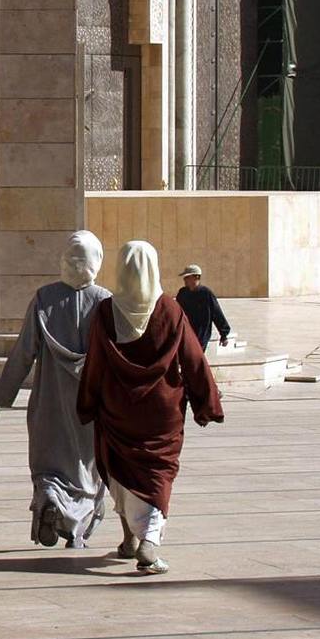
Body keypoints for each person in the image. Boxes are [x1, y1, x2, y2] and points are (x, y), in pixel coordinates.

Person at [77, 241, 225, 574]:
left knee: (120, 468)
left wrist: (87, 402)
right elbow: (193, 358)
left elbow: (95, 362)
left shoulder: (106, 311)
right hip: (161, 411)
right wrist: (206, 403)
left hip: (117, 407)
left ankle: (132, 537)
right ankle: (147, 542)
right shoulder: (170, 310)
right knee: (157, 473)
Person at [0, 230, 111, 549]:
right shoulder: (105, 302)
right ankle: (76, 530)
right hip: (90, 405)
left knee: (49, 465)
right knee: (87, 468)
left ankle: (49, 498)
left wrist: (0, 397)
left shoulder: (44, 299)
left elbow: (23, 352)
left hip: (49, 403)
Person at [175, 264, 232, 352]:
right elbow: (176, 312)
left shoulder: (206, 294)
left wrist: (224, 334)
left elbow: (217, 314)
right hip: (185, 333)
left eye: (187, 277)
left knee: (195, 358)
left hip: (201, 336)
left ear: (196, 277)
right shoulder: (182, 293)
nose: (184, 280)